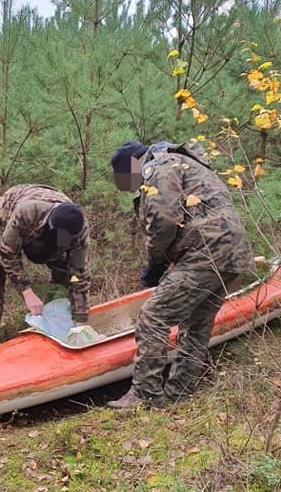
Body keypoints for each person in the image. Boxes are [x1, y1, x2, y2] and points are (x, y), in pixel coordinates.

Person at [108, 139, 254, 409]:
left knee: (153, 315)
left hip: (206, 251)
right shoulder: (186, 164)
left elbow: (163, 220)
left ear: (131, 166)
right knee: (197, 323)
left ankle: (145, 395)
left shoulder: (159, 167)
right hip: (232, 251)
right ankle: (179, 392)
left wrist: (155, 263)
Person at [0, 185, 90, 350]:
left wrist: (80, 322)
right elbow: (8, 254)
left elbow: (79, 275)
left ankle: (51, 322)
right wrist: (27, 292)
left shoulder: (79, 230)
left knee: (64, 270)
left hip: (43, 232)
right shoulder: (27, 211)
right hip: (5, 218)